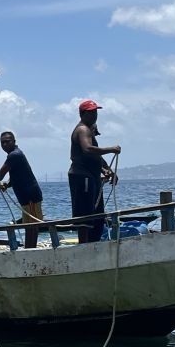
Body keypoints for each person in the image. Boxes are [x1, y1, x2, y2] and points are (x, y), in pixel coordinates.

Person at [69, 99, 121, 244]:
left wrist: (107, 169)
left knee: (98, 215)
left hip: (92, 177)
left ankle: (94, 245)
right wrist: (111, 149)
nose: (94, 115)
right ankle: (84, 248)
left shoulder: (89, 130)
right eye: (91, 113)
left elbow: (95, 156)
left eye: (95, 112)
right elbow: (87, 149)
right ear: (83, 114)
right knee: (84, 218)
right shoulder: (82, 130)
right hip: (82, 177)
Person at [0, 131, 44, 248]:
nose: (5, 144)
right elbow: (16, 178)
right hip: (25, 198)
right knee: (28, 225)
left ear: (14, 142)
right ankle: (29, 248)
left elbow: (1, 173)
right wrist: (7, 185)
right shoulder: (14, 155)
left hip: (30, 196)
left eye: (7, 142)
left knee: (32, 225)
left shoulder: (15, 155)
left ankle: (32, 248)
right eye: (2, 143)